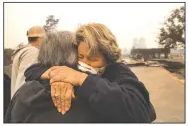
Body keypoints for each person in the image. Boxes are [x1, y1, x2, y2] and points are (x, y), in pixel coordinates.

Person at [23, 23, 156, 122]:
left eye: (93, 59)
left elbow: (140, 113)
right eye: (80, 57)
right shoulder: (74, 66)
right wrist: (58, 78)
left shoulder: (119, 71)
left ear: (108, 58)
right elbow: (32, 70)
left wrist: (83, 80)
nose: (85, 63)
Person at [5, 31, 108, 123]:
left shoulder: (24, 90)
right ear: (72, 55)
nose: (84, 62)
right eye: (80, 55)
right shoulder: (89, 94)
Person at [11, 26, 45, 97]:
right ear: (40, 39)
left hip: (19, 101)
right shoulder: (32, 52)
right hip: (23, 102)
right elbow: (23, 80)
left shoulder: (23, 51)